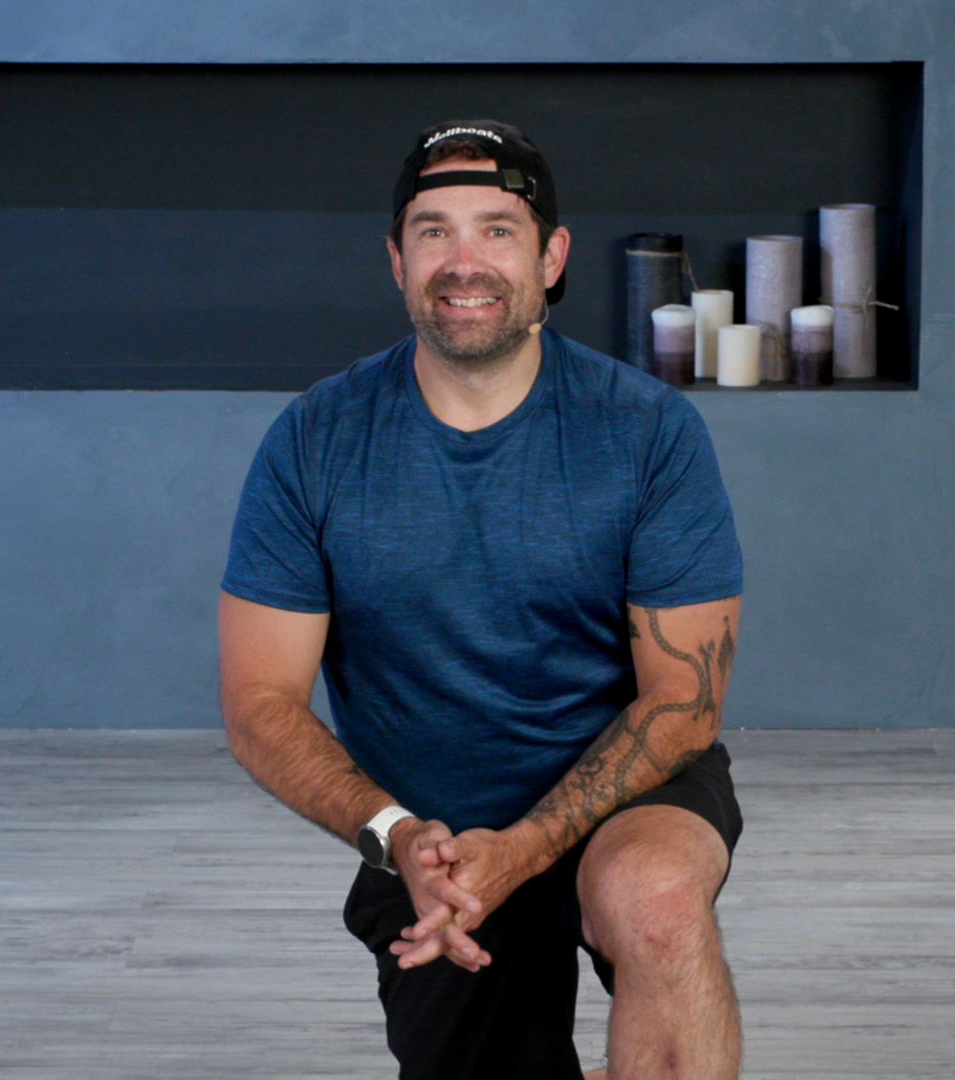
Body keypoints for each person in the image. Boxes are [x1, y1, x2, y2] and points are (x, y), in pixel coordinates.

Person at [218, 119, 745, 1080]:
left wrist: (532, 845)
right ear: (397, 260)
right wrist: (397, 837)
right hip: (434, 838)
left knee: (658, 900)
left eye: (498, 230)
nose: (464, 262)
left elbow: (684, 700)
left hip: (624, 792)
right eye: (434, 232)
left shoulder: (648, 431)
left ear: (551, 258)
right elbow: (260, 703)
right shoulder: (314, 440)